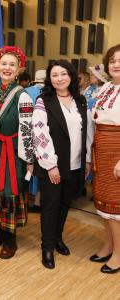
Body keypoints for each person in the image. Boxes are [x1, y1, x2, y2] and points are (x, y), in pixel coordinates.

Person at [32, 59, 91, 269]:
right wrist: (50, 165)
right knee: (50, 206)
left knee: (65, 204)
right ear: (50, 78)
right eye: (54, 75)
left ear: (71, 76)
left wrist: (86, 160)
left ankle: (57, 239)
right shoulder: (43, 100)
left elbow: (87, 132)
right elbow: (39, 134)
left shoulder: (80, 101)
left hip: (75, 164)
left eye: (63, 74)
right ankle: (47, 247)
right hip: (53, 166)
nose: (59, 78)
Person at [0, 46, 34, 259]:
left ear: (19, 70)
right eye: (3, 64)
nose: (7, 68)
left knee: (10, 193)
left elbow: (26, 130)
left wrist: (28, 160)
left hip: (14, 153)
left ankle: (10, 237)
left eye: (12, 65)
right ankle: (1, 228)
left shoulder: (22, 96)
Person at [89, 44, 120, 274]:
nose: (116, 64)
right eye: (112, 61)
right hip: (101, 147)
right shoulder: (106, 87)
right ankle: (109, 244)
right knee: (102, 201)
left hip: (117, 150)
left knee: (116, 206)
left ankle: (119, 253)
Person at [25, 69, 46, 213]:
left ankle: (25, 199)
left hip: (26, 134)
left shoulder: (25, 91)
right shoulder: (50, 92)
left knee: (26, 167)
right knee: (42, 168)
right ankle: (38, 202)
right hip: (43, 136)